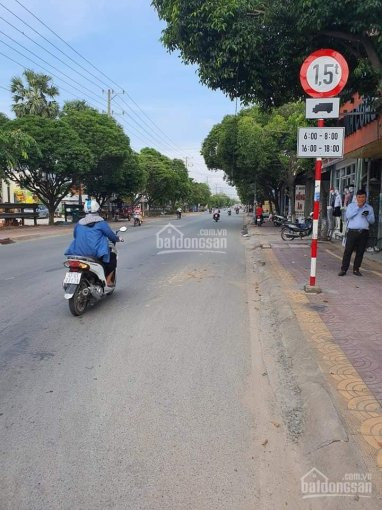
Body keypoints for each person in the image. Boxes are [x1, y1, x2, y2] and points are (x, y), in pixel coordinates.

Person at [65, 199, 121, 286]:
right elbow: (111, 235)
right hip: (94, 253)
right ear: (98, 210)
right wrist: (117, 238)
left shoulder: (79, 223)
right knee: (112, 258)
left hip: (77, 252)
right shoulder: (101, 223)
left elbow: (75, 236)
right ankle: (108, 281)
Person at [338, 189, 375, 277]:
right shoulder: (351, 206)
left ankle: (356, 269)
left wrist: (368, 216)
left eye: (363, 197)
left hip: (364, 232)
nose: (361, 199)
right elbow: (348, 216)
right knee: (348, 251)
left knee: (360, 252)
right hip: (352, 232)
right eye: (359, 197)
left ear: (365, 197)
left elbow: (372, 221)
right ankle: (343, 269)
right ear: (356, 197)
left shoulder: (369, 208)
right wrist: (358, 207)